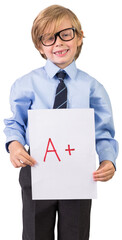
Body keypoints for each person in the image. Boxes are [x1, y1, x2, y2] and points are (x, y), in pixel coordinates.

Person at [4, 4, 118, 240]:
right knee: (35, 233)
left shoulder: (93, 87)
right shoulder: (25, 84)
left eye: (65, 34)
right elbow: (16, 123)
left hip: (79, 175)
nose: (58, 43)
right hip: (36, 170)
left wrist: (109, 160)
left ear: (79, 36)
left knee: (75, 234)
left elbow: (103, 132)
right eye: (49, 37)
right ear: (39, 45)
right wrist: (14, 145)